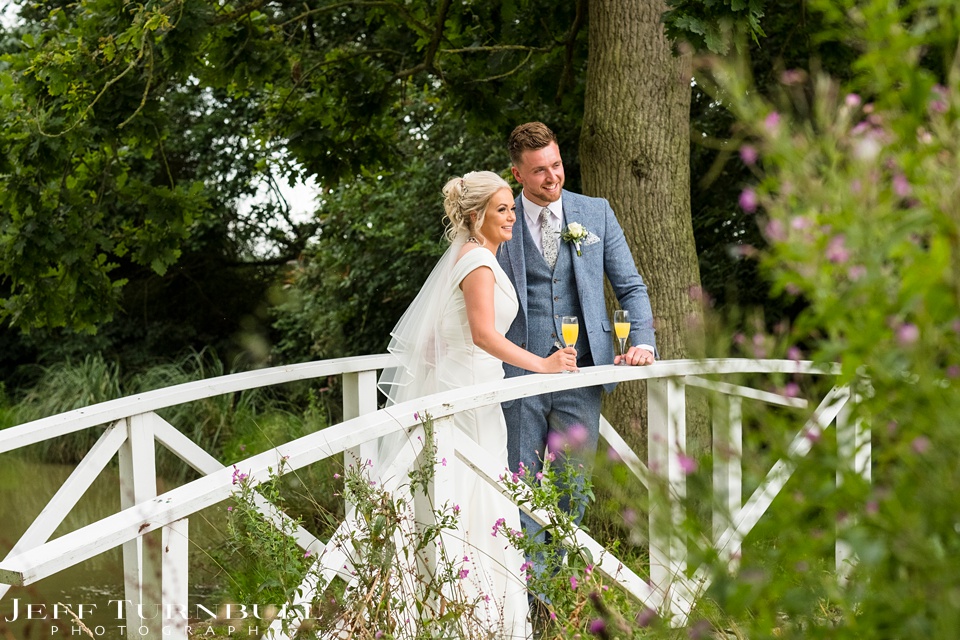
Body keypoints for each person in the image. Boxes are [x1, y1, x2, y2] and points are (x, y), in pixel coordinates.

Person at [378, 170, 578, 638]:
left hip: (472, 391)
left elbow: (437, 339)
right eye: (501, 209)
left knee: (470, 494)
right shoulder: (478, 264)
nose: (511, 216)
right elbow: (485, 335)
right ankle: (476, 618)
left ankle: (459, 613)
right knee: (471, 496)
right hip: (468, 400)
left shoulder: (470, 258)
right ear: (475, 216)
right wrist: (543, 365)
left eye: (511, 208)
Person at [496, 122, 657, 581]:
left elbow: (630, 285)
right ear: (517, 174)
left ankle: (560, 590)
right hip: (517, 375)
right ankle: (531, 601)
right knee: (520, 491)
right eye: (539, 172)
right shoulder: (500, 218)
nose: (552, 178)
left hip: (581, 375)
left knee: (572, 493)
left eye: (557, 165)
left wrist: (642, 342)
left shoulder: (596, 212)